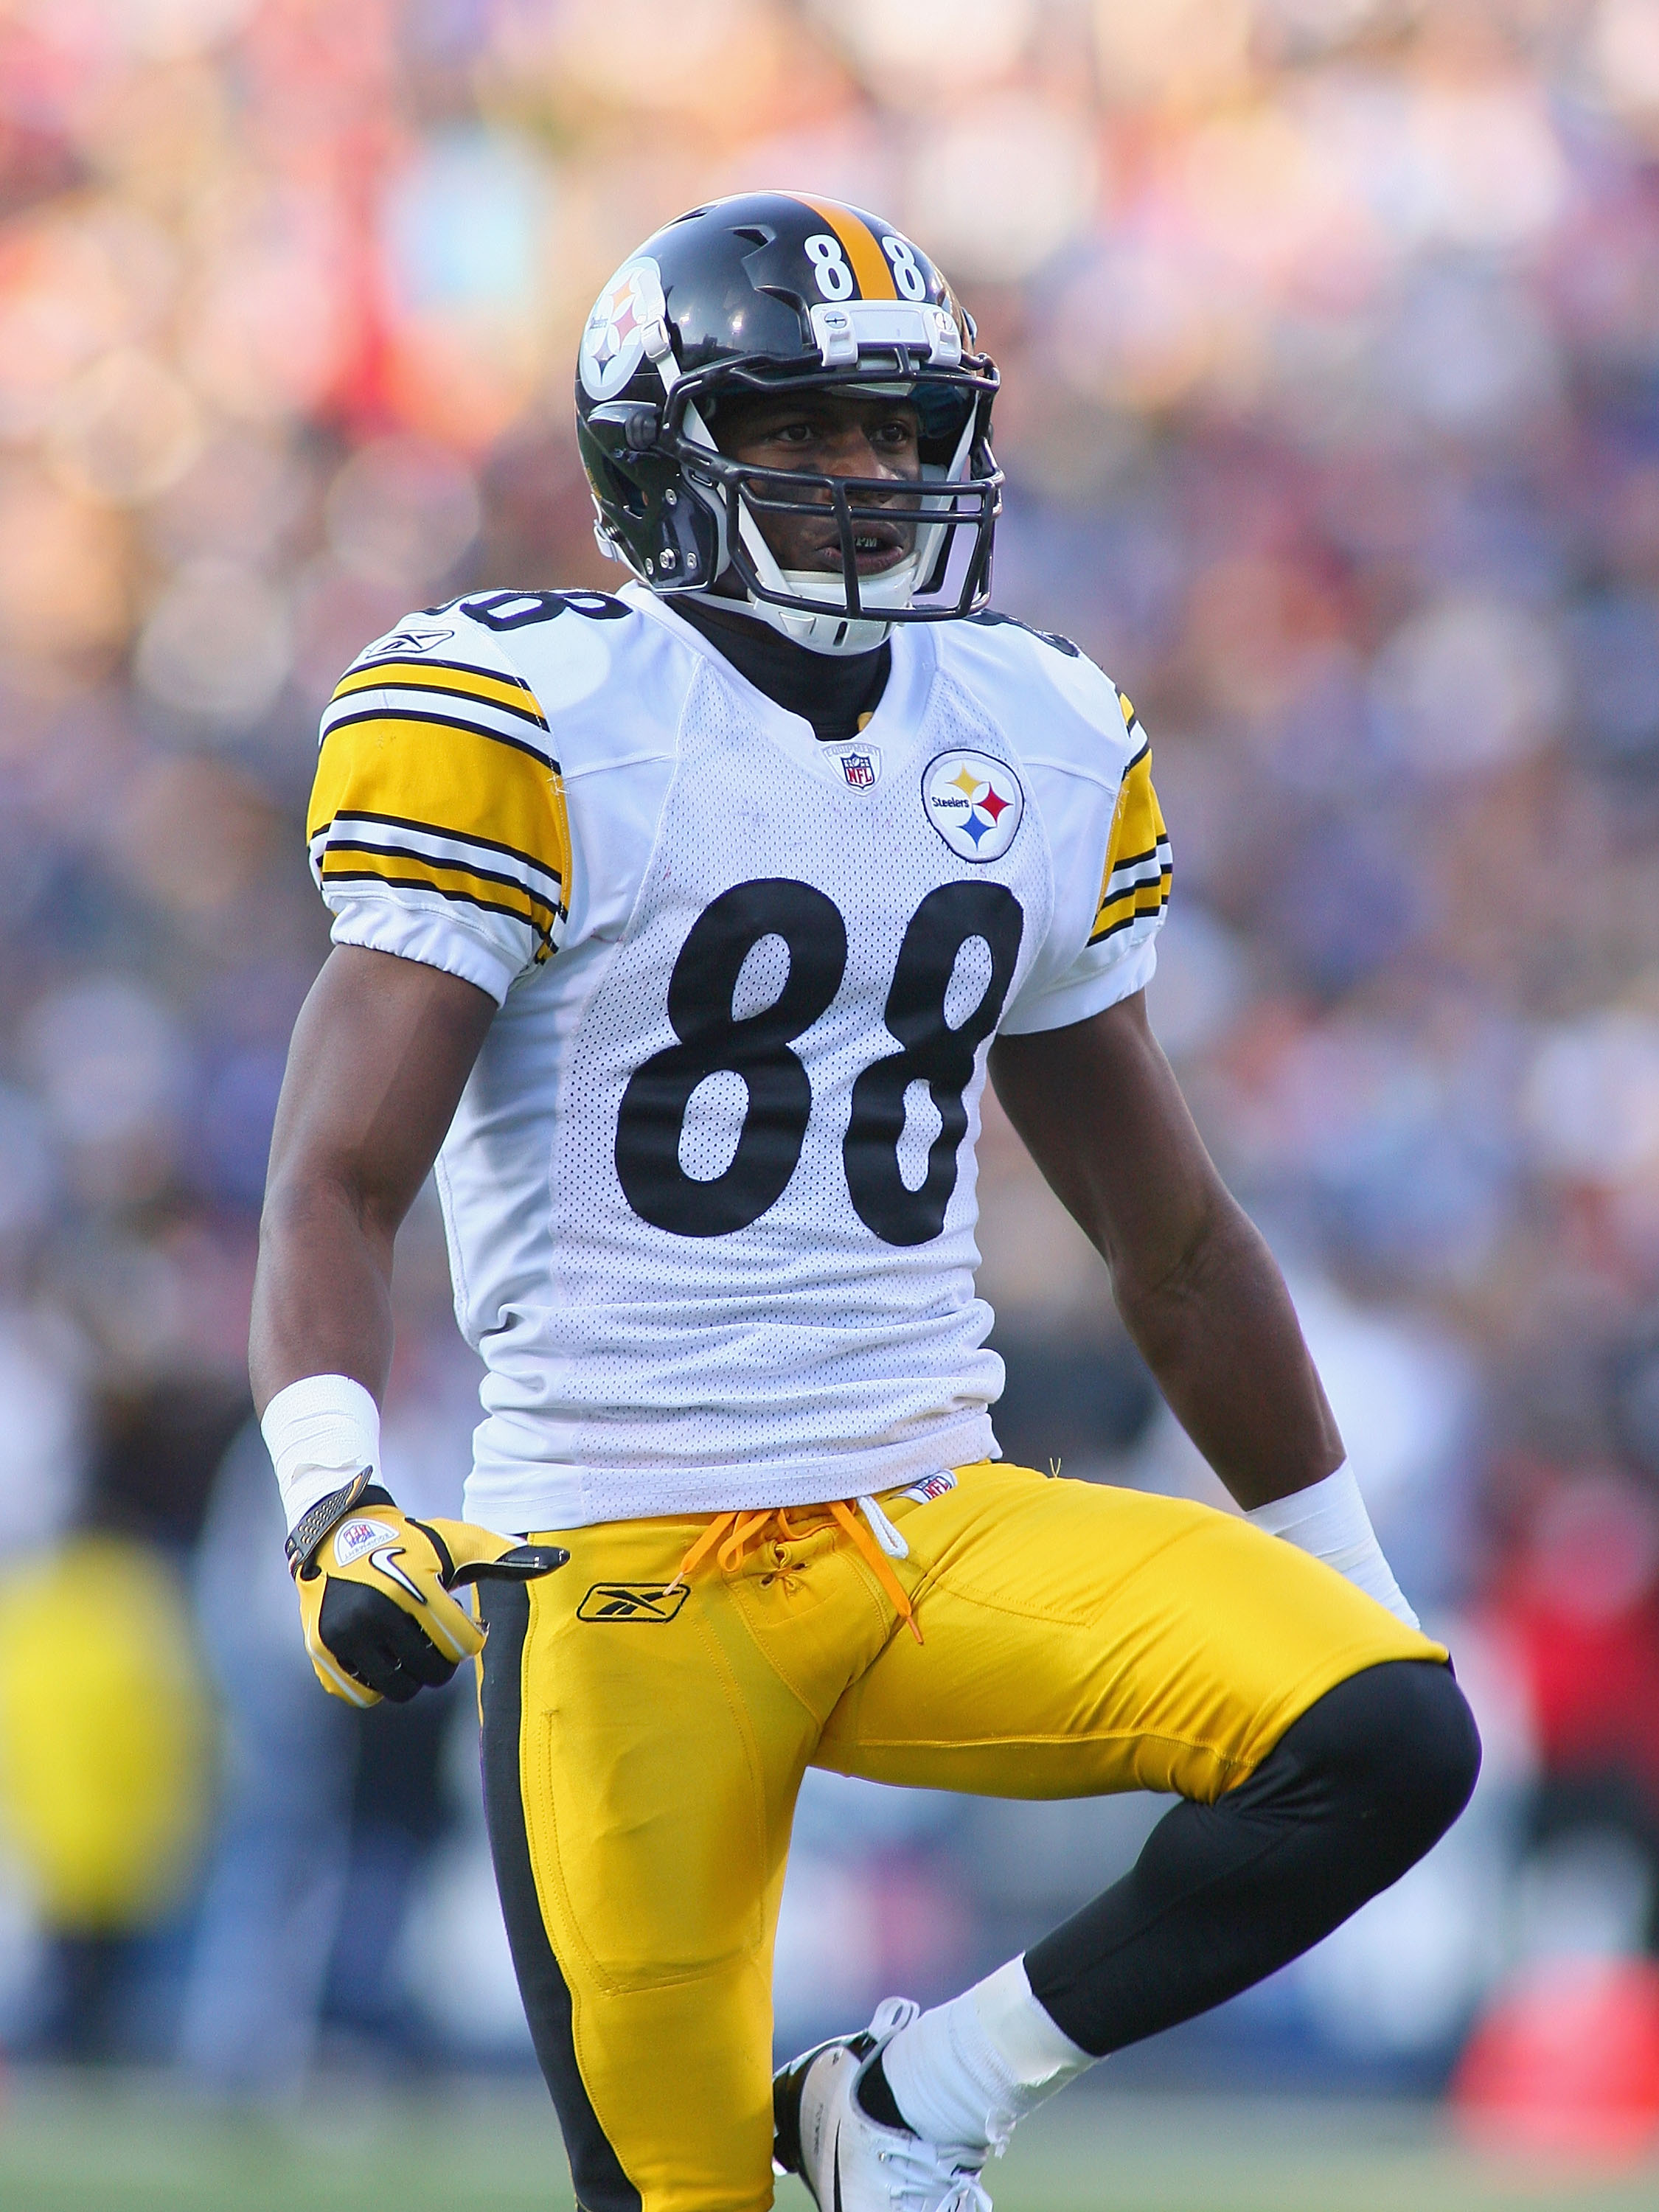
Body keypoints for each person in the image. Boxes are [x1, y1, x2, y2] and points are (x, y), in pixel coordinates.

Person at [250, 194, 1480, 2212]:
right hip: (622, 1574)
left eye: (899, 434)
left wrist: (1343, 1570)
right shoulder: (533, 717)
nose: (867, 478)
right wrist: (330, 1490)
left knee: (1388, 1733)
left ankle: (910, 2102)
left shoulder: (1035, 730)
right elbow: (337, 1171)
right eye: (809, 429)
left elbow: (1168, 1237)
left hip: (926, 1519)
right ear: (658, 451)